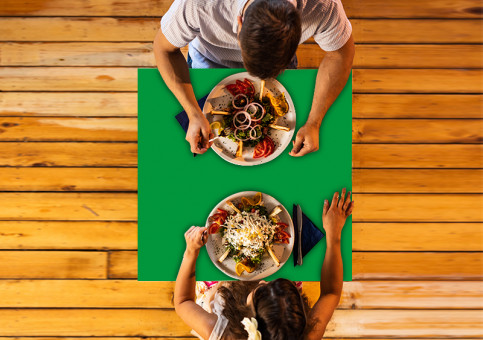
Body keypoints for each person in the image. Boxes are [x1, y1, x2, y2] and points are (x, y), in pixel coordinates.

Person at [154, 0, 355, 156]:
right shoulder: (197, 5)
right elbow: (163, 49)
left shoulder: (323, 6)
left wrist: (314, 123)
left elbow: (341, 54)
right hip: (208, 60)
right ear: (239, 24)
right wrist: (193, 113)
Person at [174, 189, 353, 339]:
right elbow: (331, 293)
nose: (263, 281)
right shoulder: (305, 335)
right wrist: (334, 235)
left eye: (261, 289)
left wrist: (191, 252)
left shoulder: (224, 334)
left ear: (249, 319)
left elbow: (183, 302)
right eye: (272, 283)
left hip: (221, 292)